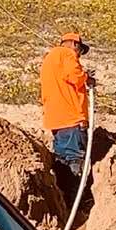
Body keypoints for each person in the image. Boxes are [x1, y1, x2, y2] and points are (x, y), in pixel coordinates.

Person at [40, 32, 94, 181]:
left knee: (61, 160)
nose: (79, 55)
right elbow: (74, 76)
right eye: (80, 51)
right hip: (71, 119)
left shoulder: (50, 57)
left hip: (56, 120)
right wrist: (86, 77)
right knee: (74, 160)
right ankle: (75, 195)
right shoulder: (67, 54)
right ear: (74, 44)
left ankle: (63, 197)